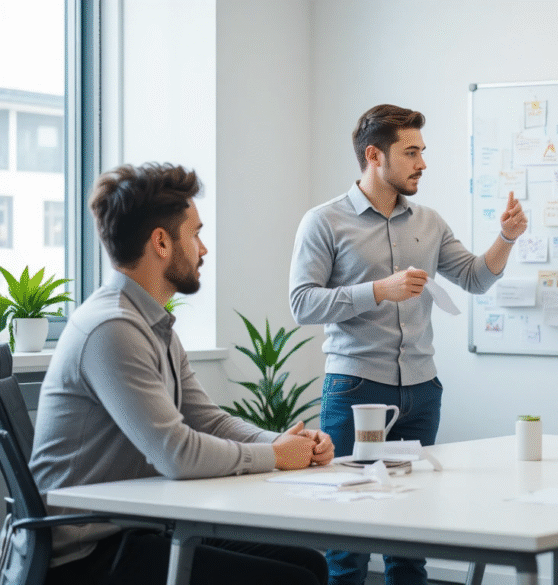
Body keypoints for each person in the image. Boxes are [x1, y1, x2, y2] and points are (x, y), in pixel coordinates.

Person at [30, 163, 334, 585]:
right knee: (292, 579)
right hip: (88, 553)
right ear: (161, 242)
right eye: (195, 234)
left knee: (308, 563)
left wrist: (283, 442)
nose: (203, 249)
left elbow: (207, 420)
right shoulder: (112, 329)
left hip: (134, 529)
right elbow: (177, 455)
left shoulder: (152, 324)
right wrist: (276, 457)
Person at [289, 104, 527, 585]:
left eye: (422, 151)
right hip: (355, 390)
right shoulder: (324, 222)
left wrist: (506, 237)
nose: (422, 163)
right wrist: (380, 289)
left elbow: (475, 278)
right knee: (347, 542)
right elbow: (302, 304)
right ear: (374, 155)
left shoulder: (430, 221)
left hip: (421, 392)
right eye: (411, 152)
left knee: (410, 541)